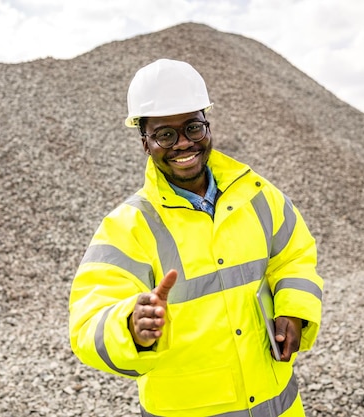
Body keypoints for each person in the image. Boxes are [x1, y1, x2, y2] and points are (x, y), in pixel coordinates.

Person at [69, 58, 323, 417]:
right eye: (165, 135)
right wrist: (129, 325)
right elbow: (86, 320)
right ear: (145, 142)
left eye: (192, 127)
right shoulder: (129, 226)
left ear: (207, 124)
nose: (183, 144)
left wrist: (293, 309)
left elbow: (295, 255)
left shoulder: (259, 195)